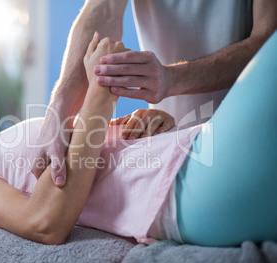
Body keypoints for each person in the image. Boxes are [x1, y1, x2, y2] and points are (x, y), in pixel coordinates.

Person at [0, 31, 277, 247]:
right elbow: (43, 222)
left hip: (190, 152)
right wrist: (101, 91)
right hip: (181, 190)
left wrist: (149, 121)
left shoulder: (19, 136)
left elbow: (97, 142)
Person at [30, 0, 277, 186]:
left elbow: (269, 40)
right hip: (170, 141)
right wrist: (59, 108)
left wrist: (173, 79)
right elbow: (102, 10)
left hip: (249, 128)